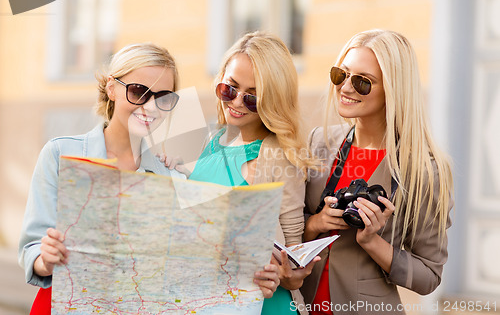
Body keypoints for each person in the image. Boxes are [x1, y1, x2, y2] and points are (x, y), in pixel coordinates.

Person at [18, 42, 278, 314]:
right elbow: (32, 246)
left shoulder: (172, 177)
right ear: (112, 88)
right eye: (139, 91)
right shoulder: (60, 154)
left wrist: (252, 280)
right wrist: (44, 259)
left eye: (163, 97)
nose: (151, 107)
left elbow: (191, 265)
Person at [301, 29, 454, 315]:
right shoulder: (318, 142)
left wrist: (373, 243)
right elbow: (287, 228)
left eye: (363, 82)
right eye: (341, 75)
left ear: (394, 89)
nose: (346, 88)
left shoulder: (424, 170)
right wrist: (316, 224)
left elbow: (429, 276)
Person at [171, 31, 319, 315]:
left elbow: (292, 257)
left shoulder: (279, 156)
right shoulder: (210, 142)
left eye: (252, 97)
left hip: (262, 306)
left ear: (272, 101)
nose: (237, 102)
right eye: (230, 89)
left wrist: (284, 272)